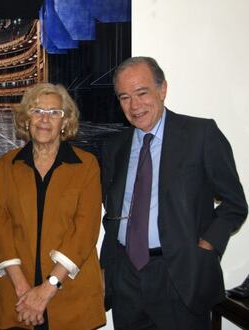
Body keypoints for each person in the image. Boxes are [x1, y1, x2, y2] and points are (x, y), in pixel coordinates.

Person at [100, 56, 248, 329]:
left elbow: (235, 204)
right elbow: (113, 213)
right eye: (124, 97)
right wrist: (106, 268)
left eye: (142, 93)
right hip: (126, 280)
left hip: (181, 276)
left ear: (162, 89)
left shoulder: (200, 134)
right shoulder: (114, 147)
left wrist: (207, 247)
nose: (134, 105)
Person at [0, 83, 106, 329]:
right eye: (37, 110)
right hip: (17, 296)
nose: (45, 119)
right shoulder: (6, 165)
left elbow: (85, 232)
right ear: (26, 119)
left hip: (71, 295)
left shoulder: (86, 165)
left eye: (54, 113)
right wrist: (23, 289)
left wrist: (48, 288)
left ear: (65, 122)